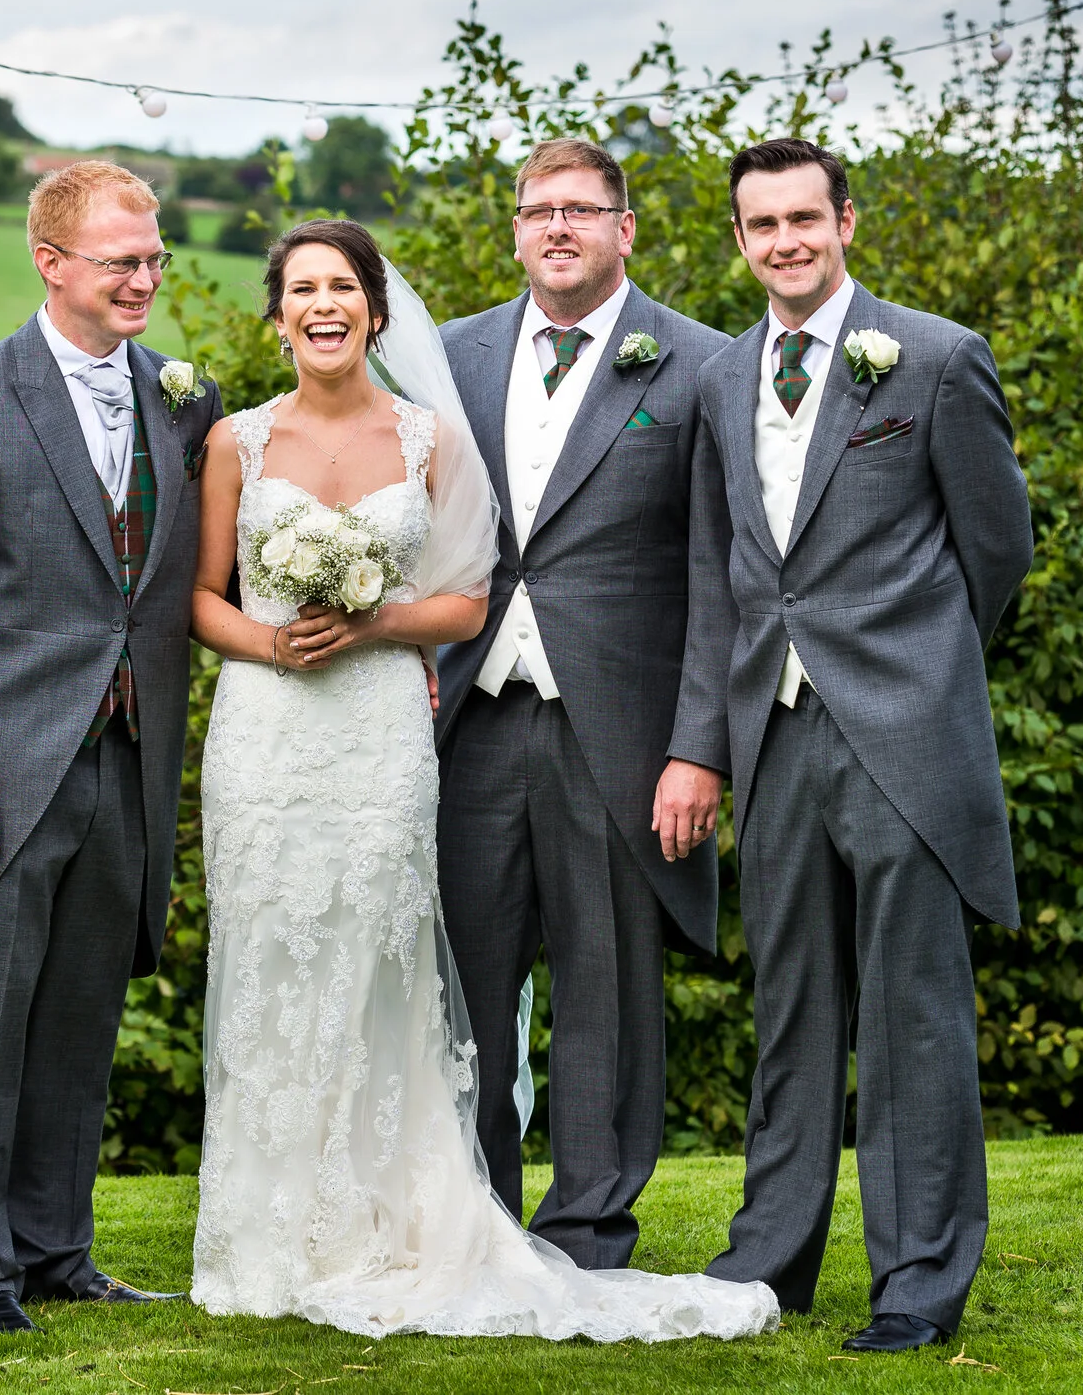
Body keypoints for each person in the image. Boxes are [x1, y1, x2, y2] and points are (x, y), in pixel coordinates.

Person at [187, 216, 778, 1343]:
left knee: (398, 966)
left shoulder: (431, 428)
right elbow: (200, 595)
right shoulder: (237, 439)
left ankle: (530, 1221)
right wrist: (269, 644)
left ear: (372, 304)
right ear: (277, 314)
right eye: (301, 288)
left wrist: (372, 620)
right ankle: (273, 1225)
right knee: (276, 964)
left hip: (400, 727)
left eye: (343, 286)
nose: (324, 304)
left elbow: (470, 589)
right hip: (277, 735)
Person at [673, 137, 1033, 1353]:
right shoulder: (722, 380)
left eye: (803, 220)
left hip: (902, 734)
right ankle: (770, 1260)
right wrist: (713, 739)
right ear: (738, 238)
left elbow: (998, 551)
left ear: (845, 224)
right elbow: (724, 573)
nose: (784, 241)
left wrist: (918, 668)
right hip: (770, 735)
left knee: (912, 1013)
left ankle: (919, 1282)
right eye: (761, 223)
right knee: (791, 1010)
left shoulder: (931, 358)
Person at [0, 161, 223, 1333]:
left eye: (153, 259)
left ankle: (51, 1249)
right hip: (1, 766)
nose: (143, 278)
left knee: (80, 1019)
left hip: (129, 758)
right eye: (120, 260)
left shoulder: (189, 399)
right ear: (51, 262)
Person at [431, 138, 731, 1267]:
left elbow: (725, 572)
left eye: (582, 211)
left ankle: (590, 1225)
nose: (558, 228)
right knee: (460, 983)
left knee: (607, 991)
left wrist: (698, 746)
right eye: (537, 211)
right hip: (468, 722)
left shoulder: (701, 365)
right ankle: (476, 1219)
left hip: (622, 733)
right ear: (513, 229)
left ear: (626, 228)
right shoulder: (448, 357)